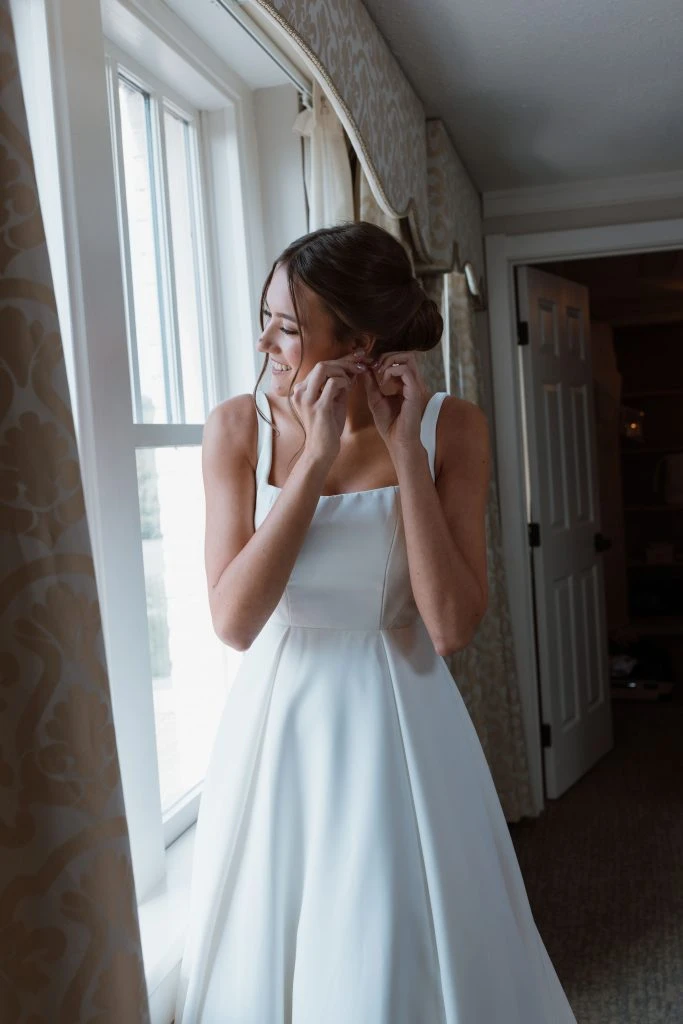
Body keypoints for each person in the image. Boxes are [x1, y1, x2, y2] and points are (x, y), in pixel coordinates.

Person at [174, 222, 577, 1023]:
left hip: (405, 721)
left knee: (397, 946)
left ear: (358, 340)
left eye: (287, 327)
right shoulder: (236, 430)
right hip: (281, 727)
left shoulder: (450, 427)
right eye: (268, 319)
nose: (264, 341)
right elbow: (234, 620)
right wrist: (315, 459)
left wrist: (401, 453)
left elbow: (452, 624)